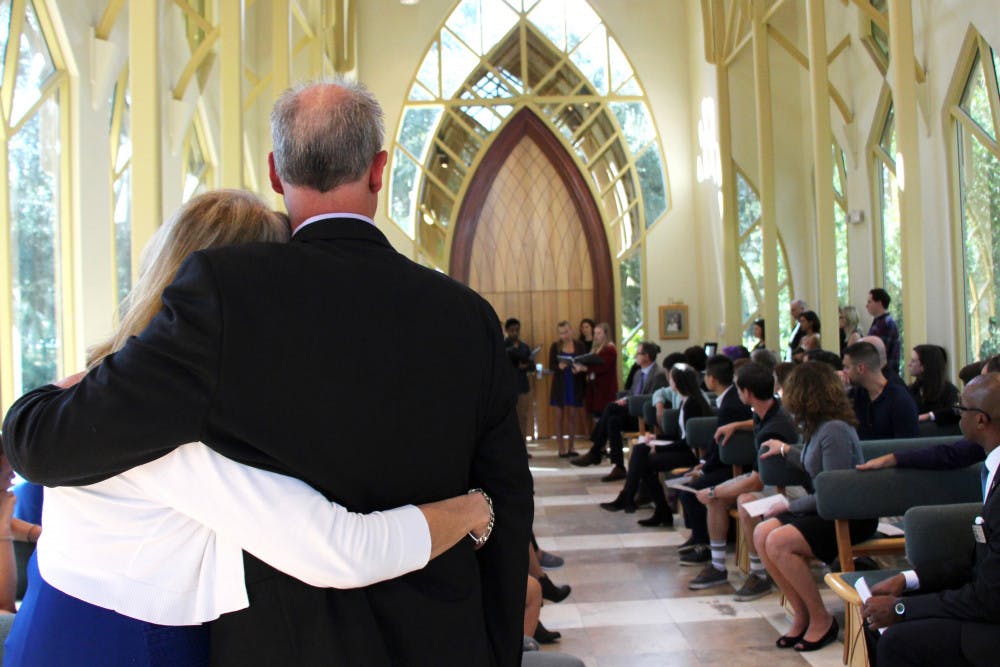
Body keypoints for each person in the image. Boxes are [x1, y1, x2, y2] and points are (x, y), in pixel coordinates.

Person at [2, 80, 533, 667]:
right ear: (380, 171)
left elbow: (45, 443)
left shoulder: (228, 300)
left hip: (283, 643)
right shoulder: (468, 318)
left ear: (277, 173)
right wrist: (476, 522)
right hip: (442, 636)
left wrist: (59, 392)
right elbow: (503, 491)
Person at [862, 373, 1000, 666]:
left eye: (961, 410)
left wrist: (902, 610)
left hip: (992, 622)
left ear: (980, 421)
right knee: (877, 619)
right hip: (988, 597)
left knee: (897, 640)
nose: (956, 416)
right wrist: (909, 580)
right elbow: (981, 560)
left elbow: (989, 597)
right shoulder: (992, 461)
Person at [754, 362, 876, 652]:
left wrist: (792, 504)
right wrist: (785, 449)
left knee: (778, 541)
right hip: (826, 509)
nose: (782, 395)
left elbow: (834, 490)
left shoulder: (834, 429)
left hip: (848, 516)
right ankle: (803, 613)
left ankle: (821, 619)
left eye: (788, 390)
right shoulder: (818, 426)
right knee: (761, 534)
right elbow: (813, 464)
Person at [686, 362, 799, 596]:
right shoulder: (767, 409)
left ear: (747, 393)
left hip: (790, 489)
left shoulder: (774, 427)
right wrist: (736, 425)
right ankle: (718, 565)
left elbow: (757, 482)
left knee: (744, 500)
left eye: (739, 389)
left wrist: (714, 492)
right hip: (770, 482)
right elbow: (756, 424)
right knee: (716, 496)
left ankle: (759, 574)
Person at [599, 363, 711, 524]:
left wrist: (657, 447)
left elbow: (689, 442)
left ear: (678, 382)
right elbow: (681, 436)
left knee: (644, 462)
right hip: (684, 447)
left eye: (671, 379)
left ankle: (644, 502)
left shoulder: (693, 404)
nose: (669, 382)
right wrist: (655, 440)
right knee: (640, 449)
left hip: (692, 454)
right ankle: (635, 499)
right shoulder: (686, 401)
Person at [676, 355, 752, 551]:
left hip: (735, 468)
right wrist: (703, 463)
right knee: (689, 486)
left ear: (712, 379)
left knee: (692, 492)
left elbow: (723, 446)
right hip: (725, 463)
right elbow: (717, 441)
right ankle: (698, 537)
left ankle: (703, 543)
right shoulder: (729, 399)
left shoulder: (731, 404)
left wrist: (704, 470)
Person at [571, 342, 667, 482]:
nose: (635, 356)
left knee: (610, 407)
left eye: (638, 353)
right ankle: (619, 467)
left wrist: (627, 401)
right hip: (633, 412)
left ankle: (595, 451)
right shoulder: (638, 373)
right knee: (613, 421)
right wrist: (625, 399)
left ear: (646, 356)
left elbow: (652, 398)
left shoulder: (658, 374)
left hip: (645, 416)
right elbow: (632, 392)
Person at [843, 341, 919, 440]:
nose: (843, 372)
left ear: (860, 369)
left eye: (847, 367)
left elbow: (907, 447)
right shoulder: (857, 394)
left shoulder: (899, 400)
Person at [549, 320, 587, 457]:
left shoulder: (580, 346)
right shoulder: (555, 346)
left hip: (574, 382)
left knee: (572, 416)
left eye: (565, 332)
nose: (563, 335)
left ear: (571, 331)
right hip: (560, 384)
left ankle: (571, 447)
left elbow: (585, 362)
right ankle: (561, 448)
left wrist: (580, 368)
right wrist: (558, 367)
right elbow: (551, 365)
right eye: (560, 333)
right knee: (559, 416)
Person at [906, 344, 960, 425]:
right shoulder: (911, 390)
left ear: (924, 365)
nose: (909, 364)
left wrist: (929, 416)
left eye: (913, 361)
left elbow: (956, 410)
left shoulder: (948, 391)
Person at [577, 322, 618, 423]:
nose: (596, 336)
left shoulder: (610, 349)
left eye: (599, 333)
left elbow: (603, 367)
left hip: (605, 388)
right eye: (595, 333)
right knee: (597, 416)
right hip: (596, 388)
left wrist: (585, 369)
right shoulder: (596, 348)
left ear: (606, 334)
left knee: (604, 416)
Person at [505, 318, 535, 446]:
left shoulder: (524, 346)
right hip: (508, 388)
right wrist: (518, 365)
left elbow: (532, 366)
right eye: (512, 330)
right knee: (508, 420)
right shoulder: (503, 345)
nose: (515, 333)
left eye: (517, 330)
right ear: (507, 331)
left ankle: (523, 448)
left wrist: (526, 366)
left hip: (523, 386)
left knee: (523, 418)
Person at [867, 288, 901, 377]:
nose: (867, 305)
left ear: (879, 303)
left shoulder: (886, 324)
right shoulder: (878, 322)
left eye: (870, 302)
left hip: (885, 374)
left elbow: (879, 352)